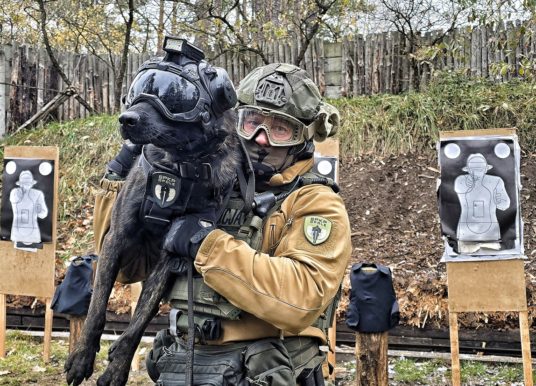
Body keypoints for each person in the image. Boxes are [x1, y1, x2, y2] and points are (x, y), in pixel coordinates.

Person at [95, 62, 351, 385]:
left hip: (262, 374)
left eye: (280, 129)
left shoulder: (315, 203)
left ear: (304, 136)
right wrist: (119, 183)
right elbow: (128, 270)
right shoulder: (211, 188)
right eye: (252, 123)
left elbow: (300, 297)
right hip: (186, 367)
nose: (261, 139)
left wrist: (208, 246)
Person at [10, 170, 48, 248]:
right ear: (20, 184)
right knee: (15, 253)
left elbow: (43, 214)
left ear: (31, 184)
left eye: (28, 183)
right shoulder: (15, 192)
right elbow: (14, 199)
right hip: (17, 231)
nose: (26, 186)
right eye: (24, 184)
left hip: (33, 232)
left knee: (35, 255)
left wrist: (39, 210)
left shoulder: (38, 194)